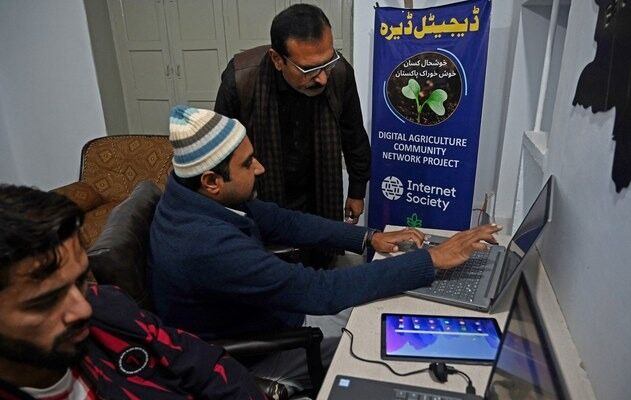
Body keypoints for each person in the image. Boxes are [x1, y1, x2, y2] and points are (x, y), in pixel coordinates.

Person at [149, 106, 501, 390]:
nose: (260, 168)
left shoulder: (191, 196)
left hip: (272, 316)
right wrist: (431, 259)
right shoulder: (204, 243)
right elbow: (318, 291)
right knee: (391, 342)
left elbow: (286, 222)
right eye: (247, 163)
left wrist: (369, 238)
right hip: (258, 351)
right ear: (211, 182)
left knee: (391, 309)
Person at [0, 184, 265, 400]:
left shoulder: (109, 310)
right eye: (46, 301)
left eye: (80, 281)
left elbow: (208, 366)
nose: (82, 308)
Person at [214, 4, 370, 267]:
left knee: (321, 258)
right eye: (309, 70)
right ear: (277, 60)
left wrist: (357, 191)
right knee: (271, 264)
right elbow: (221, 152)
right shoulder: (242, 79)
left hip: (319, 186)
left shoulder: (340, 73)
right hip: (263, 192)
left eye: (328, 63)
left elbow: (353, 134)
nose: (322, 79)